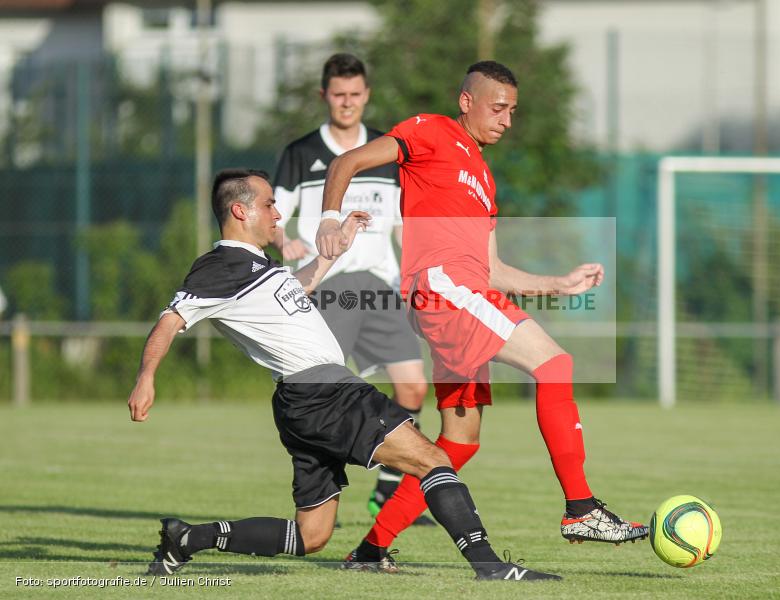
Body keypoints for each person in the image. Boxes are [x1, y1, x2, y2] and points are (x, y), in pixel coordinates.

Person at [127, 168, 559, 582]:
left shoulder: (257, 264)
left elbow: (296, 289)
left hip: (302, 399)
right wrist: (147, 377)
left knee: (311, 536)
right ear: (240, 211)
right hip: (325, 391)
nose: (278, 213)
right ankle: (489, 565)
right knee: (434, 460)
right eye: (269, 204)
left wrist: (332, 253)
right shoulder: (219, 266)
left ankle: (188, 538)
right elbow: (170, 320)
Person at [315, 61, 648, 566]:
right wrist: (329, 219)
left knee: (459, 443)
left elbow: (493, 270)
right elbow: (347, 162)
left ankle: (370, 549)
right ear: (466, 101)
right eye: (498, 108)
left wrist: (558, 284)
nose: (507, 120)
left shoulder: (484, 178)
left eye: (512, 111)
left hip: (459, 295)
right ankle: (581, 508)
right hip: (445, 289)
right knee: (554, 364)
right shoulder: (431, 130)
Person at [271, 53, 432, 524]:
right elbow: (274, 216)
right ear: (324, 95)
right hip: (326, 290)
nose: (347, 102)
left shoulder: (386, 150)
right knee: (321, 395)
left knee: (413, 386)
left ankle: (386, 492)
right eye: (338, 94)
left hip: (380, 290)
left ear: (367, 95)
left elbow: (402, 225)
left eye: (355, 94)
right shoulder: (301, 153)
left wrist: (417, 271)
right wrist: (285, 240)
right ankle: (320, 497)